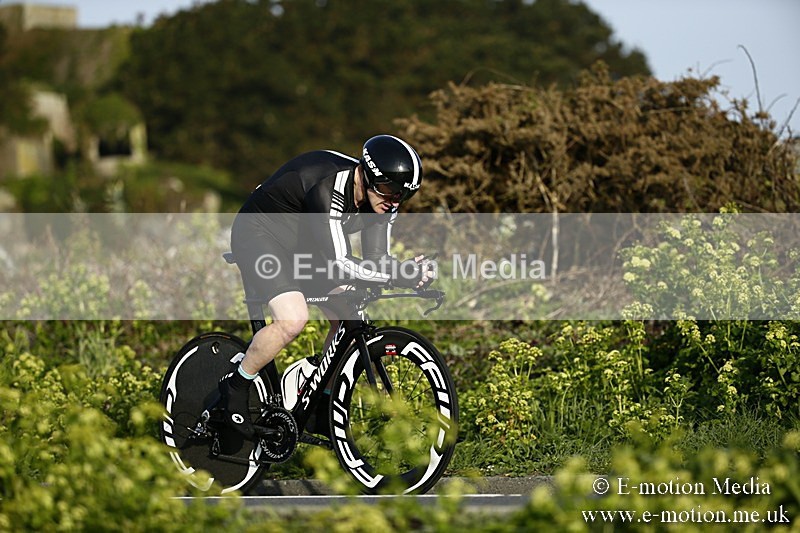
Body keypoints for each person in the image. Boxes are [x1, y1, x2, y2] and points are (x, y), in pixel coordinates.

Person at [220, 134, 434, 439]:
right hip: (260, 233)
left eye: (404, 194)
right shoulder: (329, 188)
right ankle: (236, 384)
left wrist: (409, 272)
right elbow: (342, 262)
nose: (395, 199)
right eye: (389, 189)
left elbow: (377, 260)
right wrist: (397, 275)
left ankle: (319, 400)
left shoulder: (385, 204)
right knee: (292, 319)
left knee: (349, 315)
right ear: (368, 174)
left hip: (304, 245)